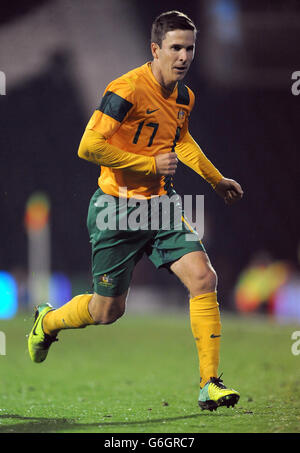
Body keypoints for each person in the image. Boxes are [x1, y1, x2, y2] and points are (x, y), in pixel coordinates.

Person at [28, 10, 243, 411]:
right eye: (175, 48)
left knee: (203, 277)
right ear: (155, 49)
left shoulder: (184, 97)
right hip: (116, 209)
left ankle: (209, 383)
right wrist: (147, 165)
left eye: (190, 49)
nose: (183, 56)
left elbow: (182, 140)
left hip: (160, 206)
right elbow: (88, 146)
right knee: (108, 310)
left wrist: (216, 179)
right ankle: (48, 322)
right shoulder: (125, 89)